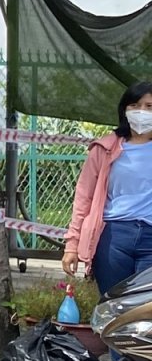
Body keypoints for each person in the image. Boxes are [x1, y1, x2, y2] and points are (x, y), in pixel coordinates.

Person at [65, 80, 152, 296]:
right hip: (114, 238)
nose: (141, 112)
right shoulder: (104, 149)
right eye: (135, 105)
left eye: (149, 107)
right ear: (124, 110)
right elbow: (83, 198)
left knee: (145, 310)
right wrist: (72, 246)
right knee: (113, 306)